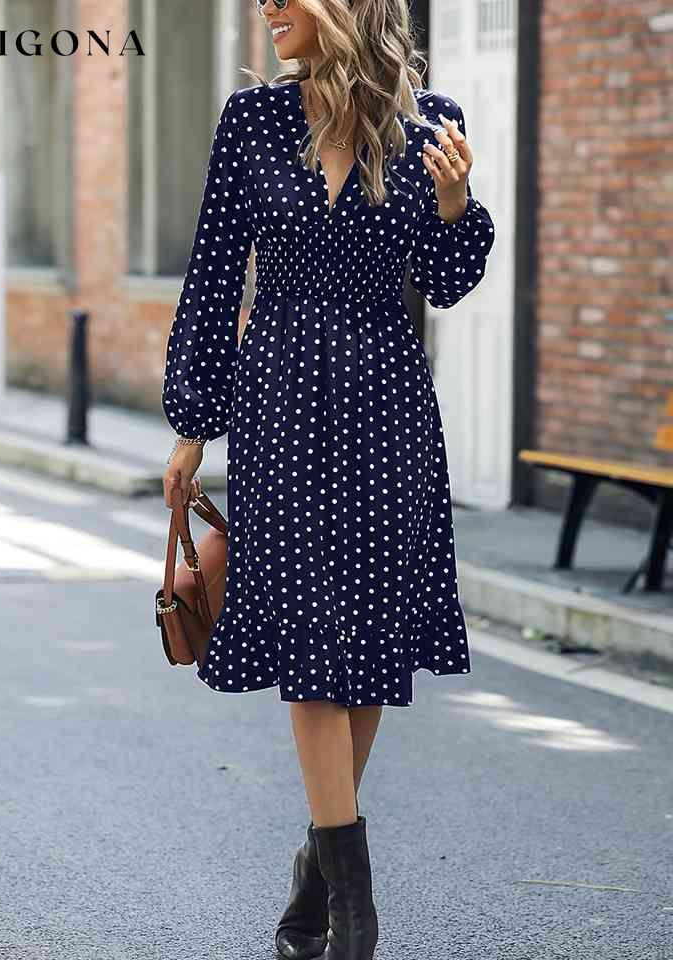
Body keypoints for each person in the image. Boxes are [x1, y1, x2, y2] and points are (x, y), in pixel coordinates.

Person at [161, 1, 495, 957]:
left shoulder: (429, 123)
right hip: (281, 409)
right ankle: (356, 916)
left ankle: (318, 877)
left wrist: (455, 209)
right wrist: (192, 425)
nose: (268, 4)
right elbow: (213, 277)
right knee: (311, 637)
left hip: (389, 410)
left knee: (373, 639)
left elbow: (448, 280)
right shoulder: (252, 120)